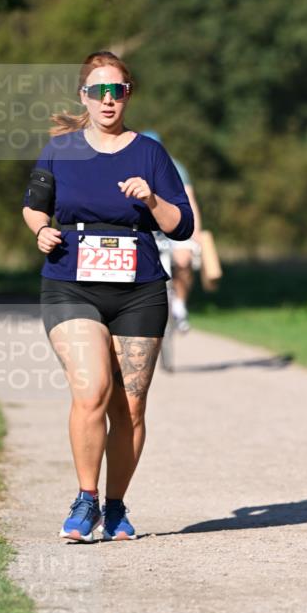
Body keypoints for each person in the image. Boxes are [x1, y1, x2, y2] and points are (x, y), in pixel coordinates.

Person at [22, 51, 194, 541]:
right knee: (92, 388)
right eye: (97, 91)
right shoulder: (61, 148)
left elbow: (182, 226)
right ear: (84, 96)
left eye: (115, 90)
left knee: (130, 407)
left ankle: (116, 506)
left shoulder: (150, 154)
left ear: (128, 95)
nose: (107, 100)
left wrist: (151, 198)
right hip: (70, 283)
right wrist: (41, 232)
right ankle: (85, 500)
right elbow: (35, 208)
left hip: (139, 291)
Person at [143, 131, 203, 333]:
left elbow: (189, 201)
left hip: (174, 225)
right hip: (148, 227)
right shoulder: (133, 165)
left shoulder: (176, 167)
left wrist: (195, 233)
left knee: (184, 260)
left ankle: (179, 305)